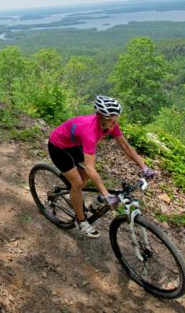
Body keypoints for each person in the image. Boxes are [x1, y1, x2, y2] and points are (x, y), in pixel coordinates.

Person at [48, 95, 157, 238]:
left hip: (74, 144)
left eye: (115, 118)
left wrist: (144, 167)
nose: (113, 123)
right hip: (58, 146)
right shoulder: (89, 131)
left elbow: (125, 145)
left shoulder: (111, 124)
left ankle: (73, 194)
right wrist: (106, 195)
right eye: (110, 119)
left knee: (85, 176)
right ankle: (81, 221)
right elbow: (90, 167)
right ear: (99, 116)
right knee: (78, 182)